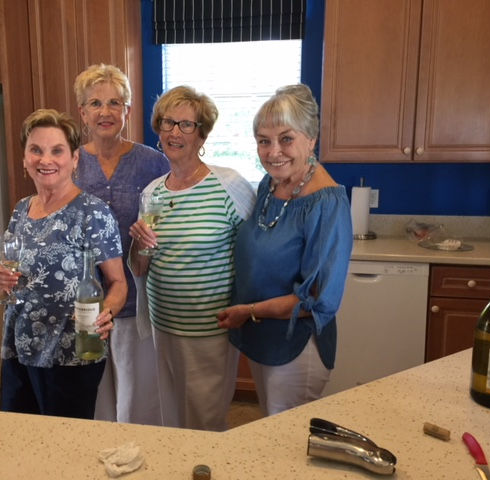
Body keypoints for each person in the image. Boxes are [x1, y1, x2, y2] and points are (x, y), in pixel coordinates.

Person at [216, 84, 353, 416]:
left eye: (286, 139)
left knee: (286, 439)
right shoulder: (271, 184)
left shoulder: (326, 203)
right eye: (264, 141)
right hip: (262, 337)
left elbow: (317, 300)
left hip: (296, 347)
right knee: (269, 425)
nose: (273, 152)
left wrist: (248, 310)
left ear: (311, 139)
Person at [128, 85, 256, 431]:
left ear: (202, 135)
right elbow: (140, 266)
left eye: (186, 124)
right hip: (163, 325)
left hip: (210, 329)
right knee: (170, 417)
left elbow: (256, 250)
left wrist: (248, 308)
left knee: (205, 419)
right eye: (168, 122)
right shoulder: (152, 193)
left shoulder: (228, 186)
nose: (175, 132)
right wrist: (139, 245)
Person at [0, 108, 127, 419]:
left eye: (57, 150)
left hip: (70, 351)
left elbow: (118, 282)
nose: (45, 159)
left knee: (64, 440)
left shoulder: (93, 212)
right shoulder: (22, 209)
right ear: (24, 159)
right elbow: (16, 273)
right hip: (19, 345)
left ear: (74, 159)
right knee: (17, 434)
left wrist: (106, 313)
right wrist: (0, 277)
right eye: (36, 150)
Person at [73, 64, 169, 425]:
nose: (106, 112)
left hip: (136, 302)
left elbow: (165, 222)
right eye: (95, 103)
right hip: (84, 303)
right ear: (82, 112)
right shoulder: (70, 163)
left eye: (115, 102)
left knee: (137, 400)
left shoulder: (153, 163)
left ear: (127, 110)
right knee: (94, 399)